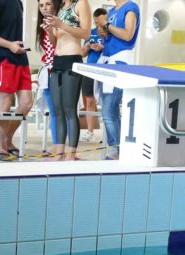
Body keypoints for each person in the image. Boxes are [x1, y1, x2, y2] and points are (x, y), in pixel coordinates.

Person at [0, 0, 34, 161]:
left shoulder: (18, 2)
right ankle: (2, 147)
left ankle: (7, 139)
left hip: (20, 56)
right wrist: (9, 45)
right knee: (6, 101)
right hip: (4, 58)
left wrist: (15, 46)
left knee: (26, 103)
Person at [43, 0, 91, 160]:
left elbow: (85, 33)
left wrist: (61, 24)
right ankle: (59, 151)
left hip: (72, 59)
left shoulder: (81, 3)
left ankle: (71, 153)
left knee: (70, 109)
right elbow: (54, 40)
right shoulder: (59, 7)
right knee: (57, 110)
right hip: (57, 60)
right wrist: (50, 30)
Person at [100, 0, 140, 160]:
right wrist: (103, 34)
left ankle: (115, 151)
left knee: (109, 109)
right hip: (108, 59)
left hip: (120, 62)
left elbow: (128, 34)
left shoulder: (131, 7)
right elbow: (112, 35)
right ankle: (118, 148)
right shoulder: (112, 10)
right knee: (109, 110)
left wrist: (107, 26)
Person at [79, 7, 107, 143]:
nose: (98, 26)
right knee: (89, 101)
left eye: (100, 22)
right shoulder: (90, 33)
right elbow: (83, 53)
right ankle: (90, 131)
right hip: (90, 69)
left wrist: (103, 48)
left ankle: (107, 133)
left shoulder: (111, 33)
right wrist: (86, 48)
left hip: (106, 71)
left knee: (106, 102)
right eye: (96, 23)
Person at [35, 0, 59, 148]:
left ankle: (64, 149)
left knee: (63, 111)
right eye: (41, 5)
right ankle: (57, 147)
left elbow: (58, 46)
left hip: (61, 70)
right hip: (48, 71)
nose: (44, 8)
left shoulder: (61, 22)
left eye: (48, 4)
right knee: (54, 111)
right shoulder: (42, 26)